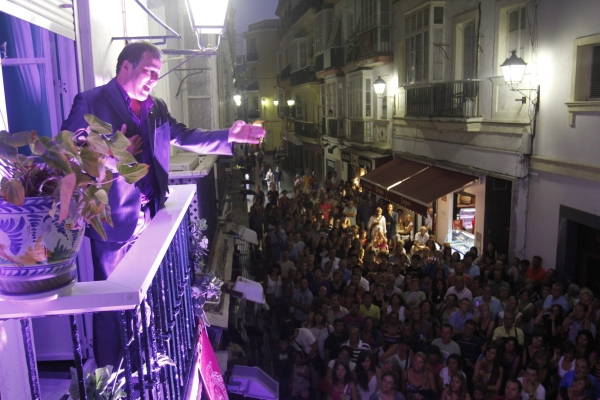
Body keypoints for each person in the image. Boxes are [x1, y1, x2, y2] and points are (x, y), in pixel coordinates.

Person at [60, 41, 265, 368]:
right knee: (113, 303)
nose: (155, 79)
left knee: (145, 295)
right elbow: (68, 149)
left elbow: (185, 136)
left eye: (157, 73)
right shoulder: (91, 100)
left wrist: (230, 137)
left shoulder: (155, 107)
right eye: (149, 71)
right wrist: (112, 153)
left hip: (150, 216)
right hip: (112, 223)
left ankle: (142, 361)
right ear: (126, 67)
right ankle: (109, 372)